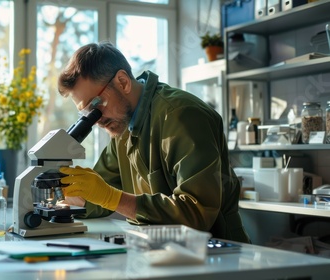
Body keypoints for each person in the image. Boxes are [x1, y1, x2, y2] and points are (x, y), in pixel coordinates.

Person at [57, 41, 250, 243]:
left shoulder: (181, 115)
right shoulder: (122, 127)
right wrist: (69, 196)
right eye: (87, 112)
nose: (96, 120)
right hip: (165, 252)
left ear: (123, 82)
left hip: (217, 254)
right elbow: (98, 195)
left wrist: (112, 198)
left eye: (96, 105)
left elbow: (196, 214)